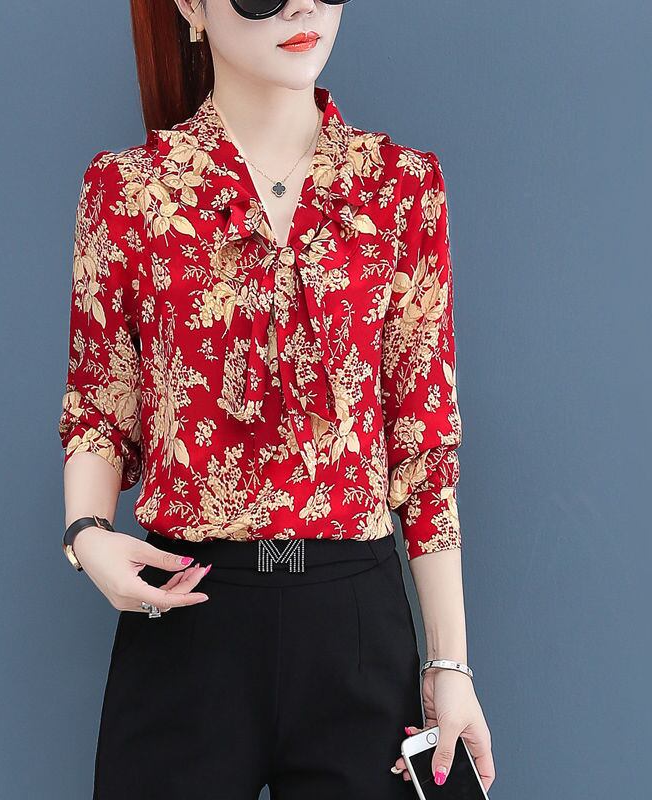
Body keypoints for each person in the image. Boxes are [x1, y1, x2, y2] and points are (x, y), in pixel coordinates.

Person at [57, 1, 495, 798]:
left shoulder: (401, 188)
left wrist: (450, 664)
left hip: (355, 625)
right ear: (191, 5)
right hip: (186, 618)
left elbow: (425, 448)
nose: (302, 6)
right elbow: (99, 404)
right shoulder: (127, 191)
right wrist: (87, 534)